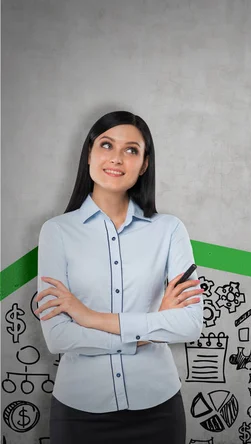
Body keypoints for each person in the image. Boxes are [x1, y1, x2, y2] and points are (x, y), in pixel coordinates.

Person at [34, 110, 205, 444]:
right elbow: (58, 337)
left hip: (158, 408)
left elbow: (189, 325)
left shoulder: (169, 231)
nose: (116, 158)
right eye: (106, 145)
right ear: (89, 154)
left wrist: (90, 317)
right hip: (79, 412)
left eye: (131, 150)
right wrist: (152, 326)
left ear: (144, 164)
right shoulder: (56, 232)